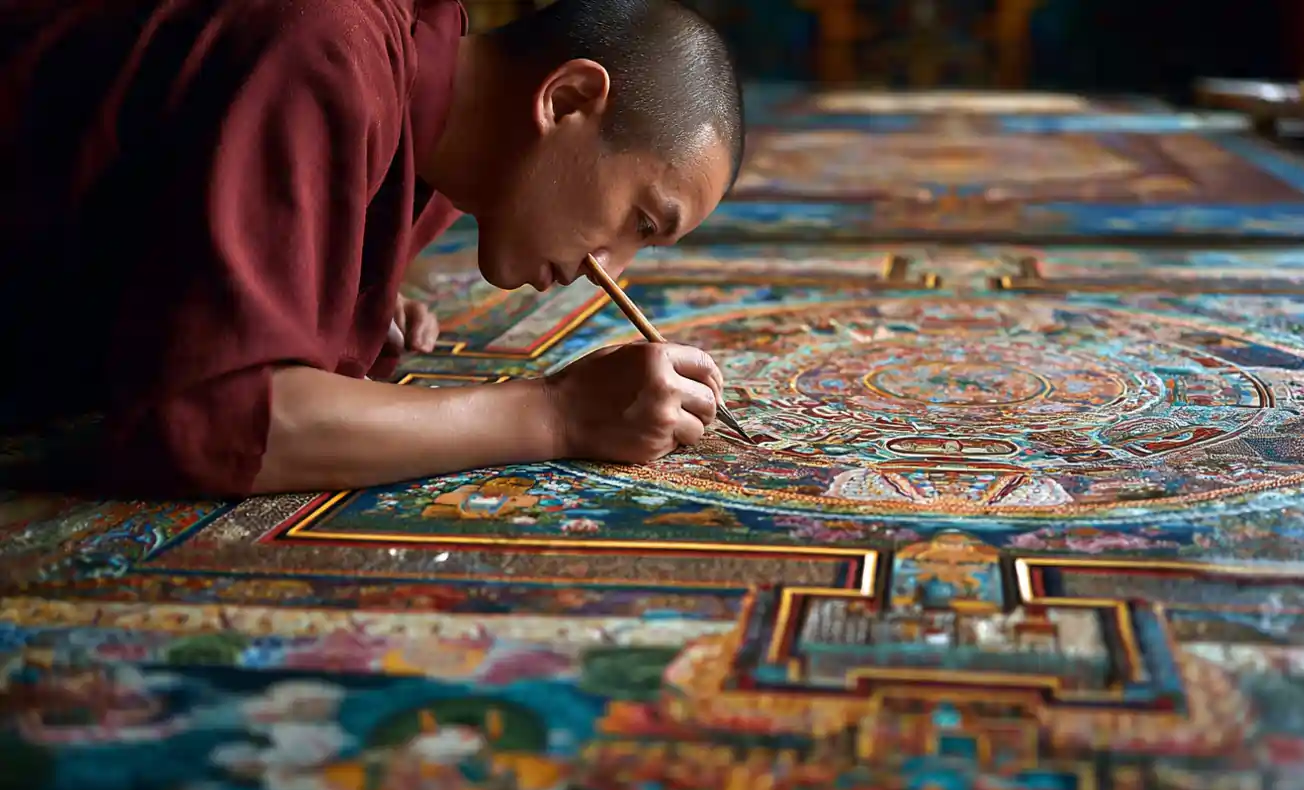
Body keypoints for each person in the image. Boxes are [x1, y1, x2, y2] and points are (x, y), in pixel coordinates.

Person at [0, 0, 745, 497]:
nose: (607, 270)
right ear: (569, 99)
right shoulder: (326, 47)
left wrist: (333, 283)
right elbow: (213, 423)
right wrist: (556, 416)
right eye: (641, 222)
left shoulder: (439, 147)